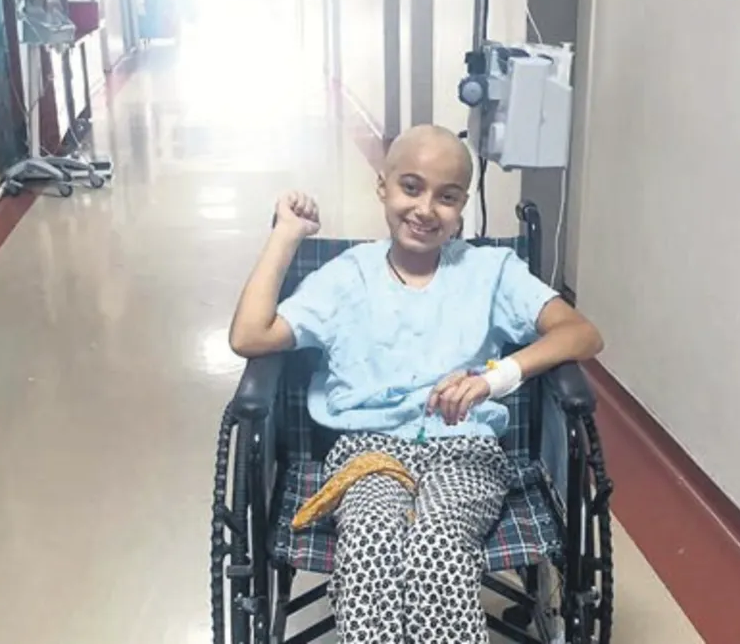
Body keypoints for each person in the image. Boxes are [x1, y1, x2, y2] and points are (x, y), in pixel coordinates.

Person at [229, 124, 603, 643]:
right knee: (369, 542)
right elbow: (250, 335)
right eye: (411, 187)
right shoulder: (345, 276)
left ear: (462, 206)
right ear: (382, 186)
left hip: (465, 450)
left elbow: (581, 333)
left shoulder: (490, 271)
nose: (426, 209)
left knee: (437, 544)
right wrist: (286, 234)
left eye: (446, 197)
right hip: (367, 451)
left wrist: (496, 377)